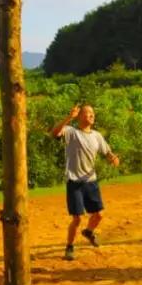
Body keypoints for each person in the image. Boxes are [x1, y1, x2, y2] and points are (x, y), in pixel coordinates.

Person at [51, 104, 120, 261]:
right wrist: (69, 117)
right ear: (80, 116)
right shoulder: (71, 132)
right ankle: (69, 247)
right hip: (74, 182)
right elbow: (54, 132)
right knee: (77, 218)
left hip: (90, 181)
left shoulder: (97, 136)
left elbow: (107, 152)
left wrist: (113, 158)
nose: (91, 115)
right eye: (88, 113)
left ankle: (88, 232)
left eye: (92, 113)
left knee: (99, 215)